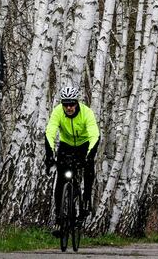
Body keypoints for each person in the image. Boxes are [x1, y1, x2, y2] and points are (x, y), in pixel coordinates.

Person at [44, 85, 100, 234]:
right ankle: (58, 219)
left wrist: (90, 155)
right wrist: (49, 154)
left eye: (72, 104)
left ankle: (86, 198)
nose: (69, 107)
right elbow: (50, 132)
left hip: (83, 145)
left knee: (89, 167)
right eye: (66, 104)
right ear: (62, 104)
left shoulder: (87, 112)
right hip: (66, 145)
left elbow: (95, 134)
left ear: (77, 103)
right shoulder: (57, 112)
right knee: (61, 181)